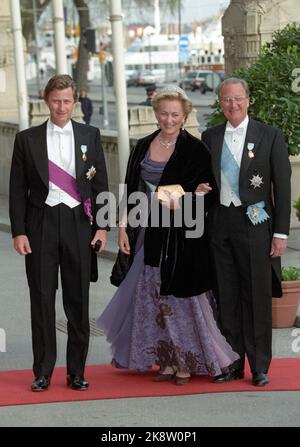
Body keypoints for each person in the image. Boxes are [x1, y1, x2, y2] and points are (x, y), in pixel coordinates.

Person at [97, 85, 239, 385]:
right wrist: (123, 227)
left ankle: (187, 362)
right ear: (156, 114)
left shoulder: (195, 148)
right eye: (164, 114)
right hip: (148, 235)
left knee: (182, 302)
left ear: (185, 115)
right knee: (153, 298)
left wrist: (194, 195)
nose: (169, 119)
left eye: (175, 114)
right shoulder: (142, 145)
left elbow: (207, 195)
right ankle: (166, 361)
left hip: (183, 237)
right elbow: (131, 188)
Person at [9, 74, 109, 392]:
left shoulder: (90, 135)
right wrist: (19, 231)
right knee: (42, 300)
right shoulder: (27, 139)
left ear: (74, 103)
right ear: (46, 101)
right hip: (40, 224)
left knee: (77, 301)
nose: (61, 106)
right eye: (56, 101)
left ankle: (76, 371)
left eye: (67, 101)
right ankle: (43, 371)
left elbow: (100, 185)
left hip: (79, 225)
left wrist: (103, 226)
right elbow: (16, 190)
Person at [196, 77, 291, 386]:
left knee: (257, 297)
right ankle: (232, 362)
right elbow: (202, 180)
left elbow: (283, 187)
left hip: (256, 226)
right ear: (220, 103)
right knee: (227, 296)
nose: (232, 104)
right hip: (220, 225)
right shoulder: (209, 137)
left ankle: (259, 365)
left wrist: (280, 233)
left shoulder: (270, 136)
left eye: (237, 98)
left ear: (248, 100)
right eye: (226, 99)